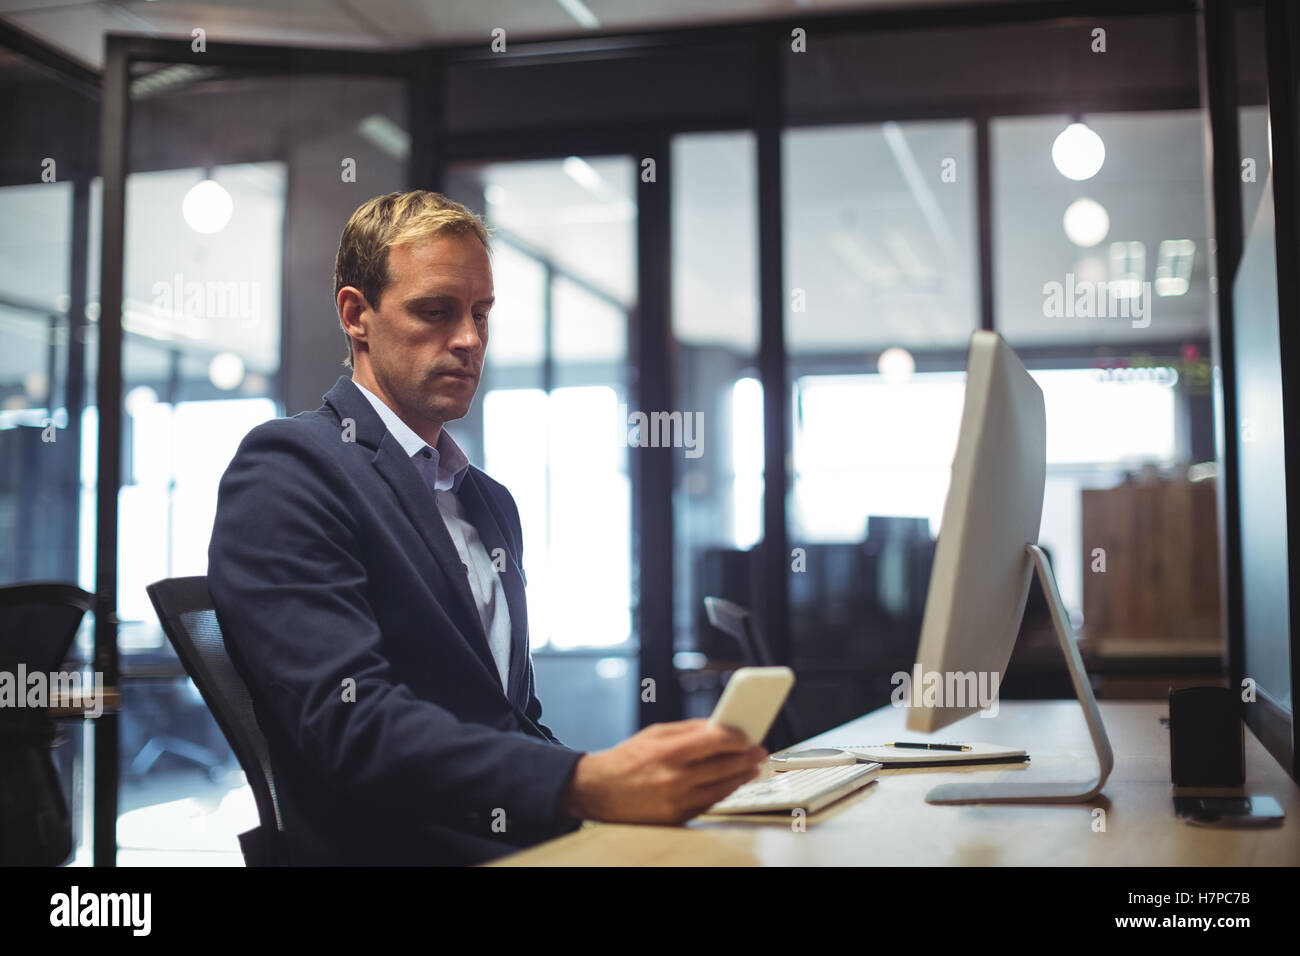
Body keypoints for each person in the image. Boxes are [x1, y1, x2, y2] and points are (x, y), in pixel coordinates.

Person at [207, 190, 766, 864]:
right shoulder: (291, 469)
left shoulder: (487, 501)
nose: (470, 339)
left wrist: (635, 781)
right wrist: (583, 785)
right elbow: (351, 724)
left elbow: (511, 722)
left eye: (480, 314)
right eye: (435, 311)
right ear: (357, 315)